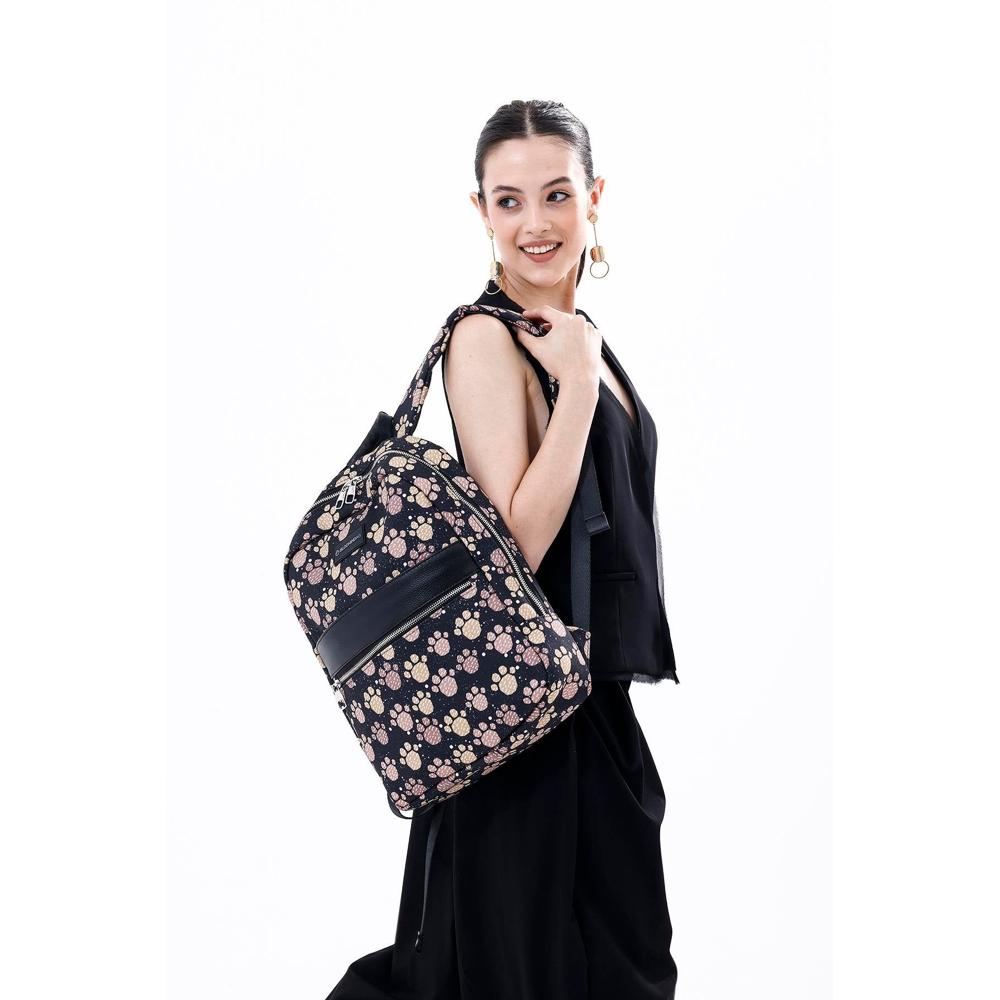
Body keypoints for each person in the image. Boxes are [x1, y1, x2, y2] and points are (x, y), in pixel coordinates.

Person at [326, 99, 680, 1000]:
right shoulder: (486, 340)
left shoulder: (575, 343)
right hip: (521, 731)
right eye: (509, 200)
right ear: (480, 211)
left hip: (589, 708)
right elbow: (513, 547)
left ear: (595, 198)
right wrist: (576, 390)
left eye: (556, 194)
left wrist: (582, 369)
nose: (535, 223)